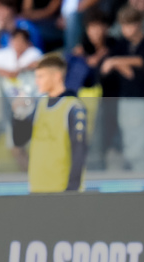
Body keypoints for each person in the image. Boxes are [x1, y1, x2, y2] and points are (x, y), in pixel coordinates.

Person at [12, 55, 87, 192]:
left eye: (41, 76)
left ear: (57, 76)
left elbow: (78, 150)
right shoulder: (39, 105)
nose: (37, 81)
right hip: (37, 187)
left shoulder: (73, 107)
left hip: (62, 187)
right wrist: (19, 114)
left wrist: (73, 188)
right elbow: (19, 141)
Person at [100, 5, 144, 171]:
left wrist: (117, 62)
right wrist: (122, 63)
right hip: (124, 99)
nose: (127, 29)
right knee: (128, 146)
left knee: (140, 147)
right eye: (124, 25)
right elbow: (106, 65)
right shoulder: (121, 44)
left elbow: (143, 63)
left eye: (131, 24)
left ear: (140, 23)